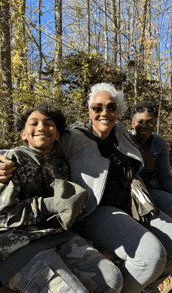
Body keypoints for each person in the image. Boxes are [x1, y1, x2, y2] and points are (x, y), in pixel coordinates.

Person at [0, 84, 172, 293]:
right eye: (97, 108)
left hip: (134, 200)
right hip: (99, 208)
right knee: (152, 255)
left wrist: (159, 147)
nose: (105, 113)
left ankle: (144, 285)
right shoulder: (74, 137)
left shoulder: (121, 132)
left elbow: (144, 145)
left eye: (111, 107)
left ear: (118, 112)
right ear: (89, 110)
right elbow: (32, 146)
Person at [0, 102, 123, 293]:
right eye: (34, 123)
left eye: (49, 124)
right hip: (21, 247)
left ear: (58, 134)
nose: (41, 127)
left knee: (112, 280)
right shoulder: (12, 160)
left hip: (59, 238)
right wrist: (50, 205)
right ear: (23, 134)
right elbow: (3, 216)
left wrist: (73, 208)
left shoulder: (61, 164)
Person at [129, 100, 172, 225]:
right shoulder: (125, 140)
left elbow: (166, 177)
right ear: (132, 123)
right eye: (140, 122)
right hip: (134, 191)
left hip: (155, 187)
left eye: (150, 122)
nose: (145, 126)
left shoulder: (159, 142)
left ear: (155, 124)